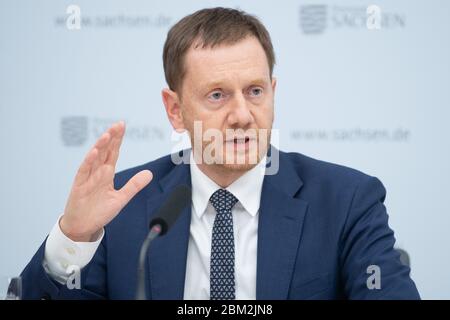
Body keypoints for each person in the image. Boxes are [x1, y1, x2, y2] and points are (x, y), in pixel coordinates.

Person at [21, 7, 420, 300]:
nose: (242, 116)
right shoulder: (122, 204)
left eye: (255, 92)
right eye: (217, 95)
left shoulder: (346, 200)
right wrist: (72, 238)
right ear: (175, 110)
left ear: (273, 93)